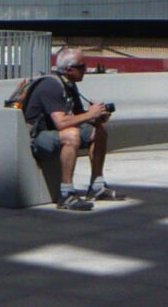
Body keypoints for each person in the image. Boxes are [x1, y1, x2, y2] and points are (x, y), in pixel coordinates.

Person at [22, 48, 123, 210]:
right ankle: (66, 194)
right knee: (72, 134)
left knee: (99, 131)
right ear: (69, 69)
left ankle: (96, 186)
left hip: (55, 133)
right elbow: (61, 123)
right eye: (82, 67)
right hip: (36, 138)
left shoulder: (68, 85)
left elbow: (76, 116)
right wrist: (89, 114)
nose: (85, 70)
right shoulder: (51, 85)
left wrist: (96, 117)